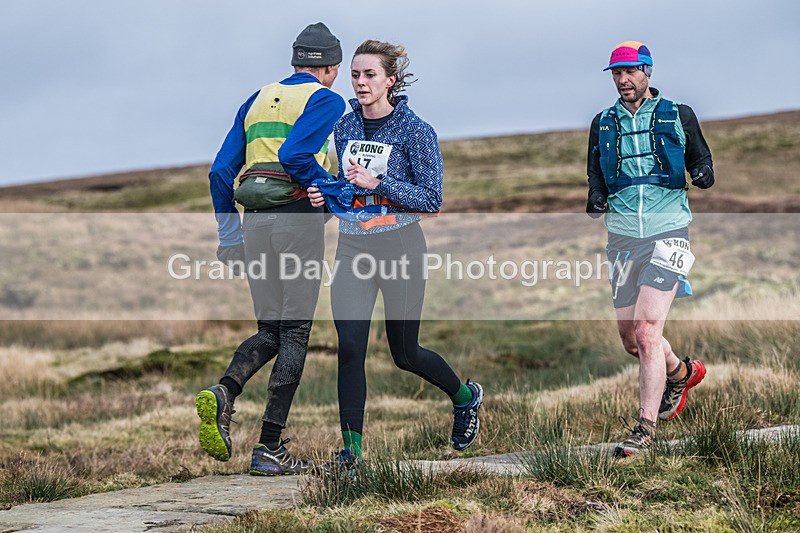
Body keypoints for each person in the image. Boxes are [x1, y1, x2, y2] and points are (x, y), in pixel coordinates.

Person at [308, 40, 483, 468]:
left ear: (390, 80)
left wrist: (378, 184)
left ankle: (465, 398)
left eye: (369, 75)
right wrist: (326, 195)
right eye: (354, 74)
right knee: (350, 347)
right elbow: (347, 185)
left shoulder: (416, 131)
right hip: (352, 247)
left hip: (400, 247)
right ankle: (351, 452)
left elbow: (432, 198)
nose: (360, 82)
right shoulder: (344, 127)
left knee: (405, 354)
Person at [196, 22, 345, 475]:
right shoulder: (326, 100)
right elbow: (297, 157)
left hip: (256, 225)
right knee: (296, 332)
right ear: (332, 68)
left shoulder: (257, 99)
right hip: (297, 222)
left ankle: (225, 391)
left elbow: (221, 173)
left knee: (271, 329)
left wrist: (230, 237)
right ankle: (269, 449)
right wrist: (331, 191)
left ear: (296, 62)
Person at [586, 41, 714, 457]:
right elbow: (595, 174)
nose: (623, 80)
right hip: (622, 237)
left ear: (647, 72)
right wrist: (596, 196)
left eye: (630, 72)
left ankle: (645, 429)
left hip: (669, 232)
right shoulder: (603, 123)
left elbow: (701, 157)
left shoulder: (679, 113)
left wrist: (702, 171)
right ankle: (681, 372)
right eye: (616, 74)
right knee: (630, 339)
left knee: (647, 331)